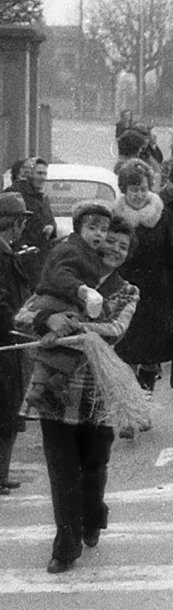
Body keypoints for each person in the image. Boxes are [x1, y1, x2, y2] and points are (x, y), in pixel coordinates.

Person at [26, 216, 141, 573]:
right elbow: (23, 315)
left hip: (97, 393)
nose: (115, 249)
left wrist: (70, 325)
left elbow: (115, 329)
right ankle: (66, 547)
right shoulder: (64, 277)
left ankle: (93, 517)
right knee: (61, 472)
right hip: (54, 391)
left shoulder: (127, 291)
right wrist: (47, 320)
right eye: (111, 241)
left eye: (123, 247)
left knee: (94, 466)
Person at [111, 161, 173, 426]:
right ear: (124, 189)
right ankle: (131, 412)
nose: (139, 195)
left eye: (143, 189)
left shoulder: (161, 215)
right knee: (126, 355)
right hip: (125, 293)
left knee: (150, 358)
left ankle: (143, 408)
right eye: (133, 189)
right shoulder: (116, 219)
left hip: (157, 295)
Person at [20, 203, 111, 412]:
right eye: (92, 228)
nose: (98, 234)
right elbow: (61, 274)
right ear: (78, 228)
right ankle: (44, 387)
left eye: (103, 230)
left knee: (62, 343)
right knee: (68, 341)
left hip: (65, 302)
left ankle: (47, 385)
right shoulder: (71, 250)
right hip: (55, 300)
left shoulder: (88, 253)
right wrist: (81, 290)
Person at [0, 193, 34, 496]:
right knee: (6, 409)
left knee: (9, 410)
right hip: (5, 342)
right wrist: (14, 326)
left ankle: (2, 474)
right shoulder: (2, 254)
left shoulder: (8, 252)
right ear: (16, 223)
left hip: (8, 340)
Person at [10, 157, 56, 288]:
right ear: (28, 174)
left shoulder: (42, 197)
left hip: (41, 257)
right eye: (39, 173)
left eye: (45, 174)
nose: (43, 178)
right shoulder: (16, 195)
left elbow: (50, 219)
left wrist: (51, 227)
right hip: (22, 257)